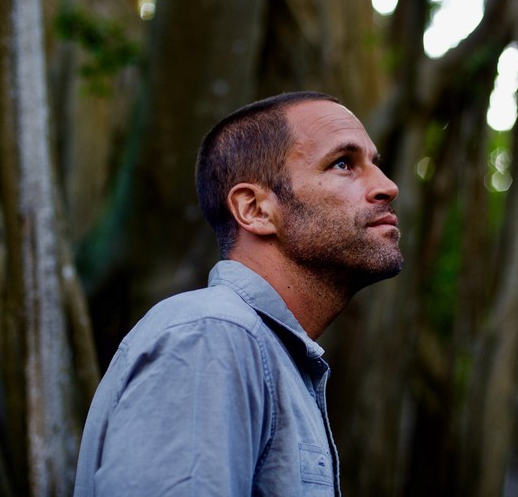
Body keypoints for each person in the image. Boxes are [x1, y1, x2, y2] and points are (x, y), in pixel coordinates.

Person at [73, 91, 403, 496]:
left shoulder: (270, 355)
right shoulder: (213, 336)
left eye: (375, 164)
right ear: (255, 209)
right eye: (342, 164)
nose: (387, 187)